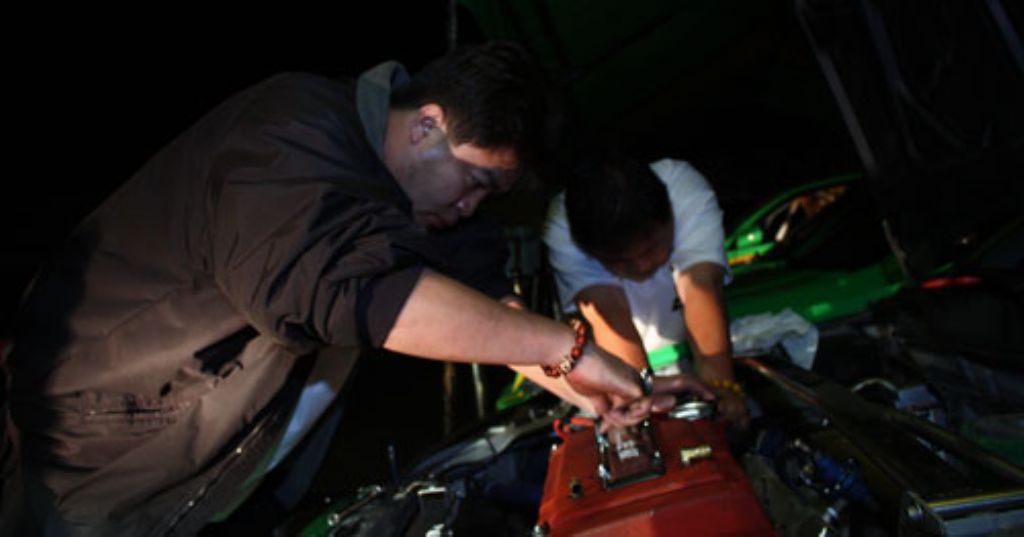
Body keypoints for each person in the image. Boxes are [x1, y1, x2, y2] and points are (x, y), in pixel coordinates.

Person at [0, 42, 709, 535]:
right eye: (474, 183)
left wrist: (596, 391)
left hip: (226, 479)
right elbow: (343, 292)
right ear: (427, 125)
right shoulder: (292, 131)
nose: (470, 207)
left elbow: (494, 312)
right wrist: (567, 347)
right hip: (95, 461)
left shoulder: (422, 200)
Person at [544, 152, 749, 427]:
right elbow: (608, 311)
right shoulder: (562, 226)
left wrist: (721, 389)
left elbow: (700, 286)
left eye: (652, 249)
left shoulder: (683, 187)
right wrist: (639, 403)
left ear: (670, 213)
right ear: (589, 250)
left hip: (694, 351)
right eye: (621, 261)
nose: (642, 265)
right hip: (613, 367)